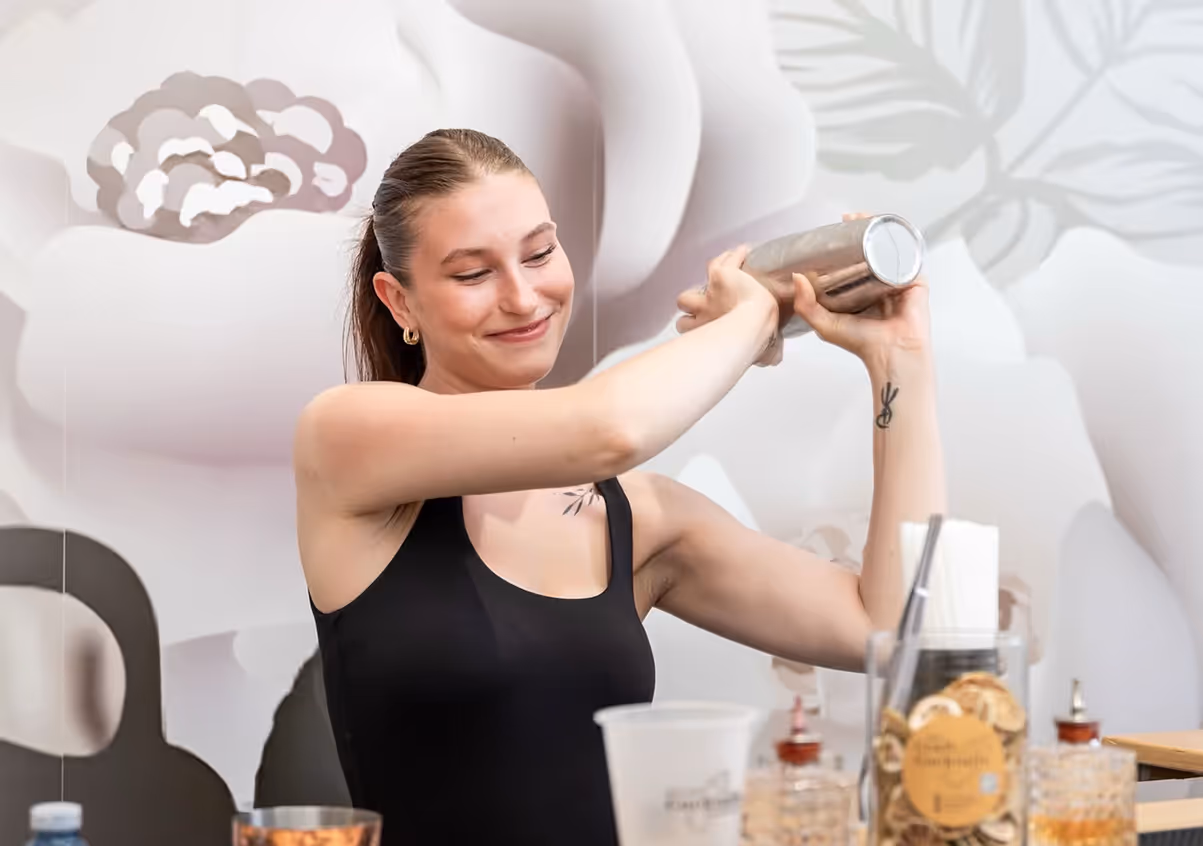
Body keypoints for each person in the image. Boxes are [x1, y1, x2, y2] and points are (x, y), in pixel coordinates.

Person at [293, 128, 945, 846]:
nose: (522, 296)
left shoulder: (641, 516)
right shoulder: (347, 437)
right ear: (400, 301)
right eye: (472, 274)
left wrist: (901, 366)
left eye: (540, 253)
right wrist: (756, 309)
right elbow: (608, 427)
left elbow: (888, 629)